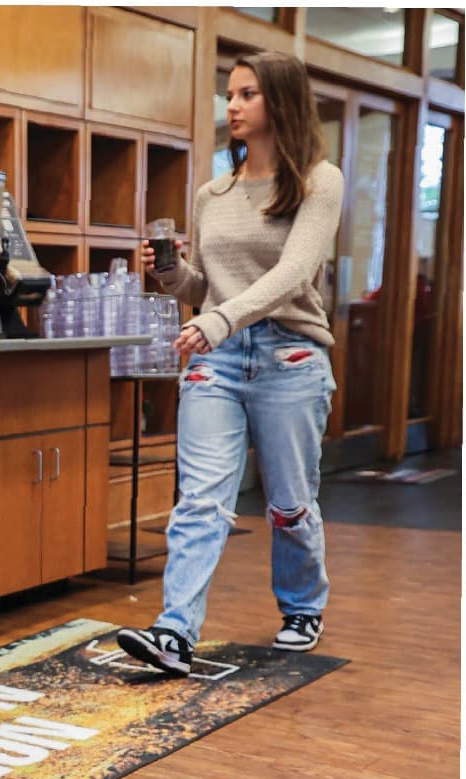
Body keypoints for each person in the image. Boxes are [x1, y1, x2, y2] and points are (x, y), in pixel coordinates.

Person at [117, 50, 344, 677]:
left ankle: (302, 605)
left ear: (281, 101)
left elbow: (293, 271)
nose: (233, 106)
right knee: (200, 500)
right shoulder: (211, 192)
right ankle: (174, 633)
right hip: (216, 359)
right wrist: (169, 275)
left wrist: (218, 316)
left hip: (290, 354)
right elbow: (205, 288)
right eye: (230, 95)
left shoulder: (320, 181)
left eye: (247, 94)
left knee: (289, 502)